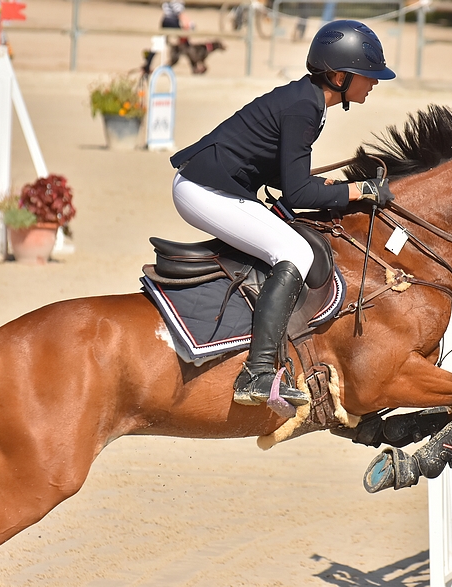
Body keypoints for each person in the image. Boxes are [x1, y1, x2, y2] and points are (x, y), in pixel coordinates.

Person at [168, 20, 396, 408]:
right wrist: (359, 190)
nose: (373, 83)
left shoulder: (309, 101)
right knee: (296, 253)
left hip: (218, 186)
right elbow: (298, 192)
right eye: (367, 76)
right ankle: (256, 374)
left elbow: (291, 182)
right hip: (204, 191)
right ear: (339, 76)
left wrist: (336, 191)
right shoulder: (303, 108)